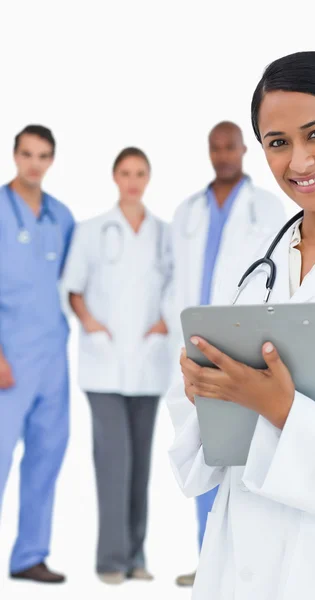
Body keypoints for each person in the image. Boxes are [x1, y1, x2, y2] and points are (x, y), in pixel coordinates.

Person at [166, 51, 315, 599]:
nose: (299, 160)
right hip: (240, 562)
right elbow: (205, 455)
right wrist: (207, 391)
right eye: (277, 142)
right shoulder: (255, 263)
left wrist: (280, 408)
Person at [167, 121, 286, 587]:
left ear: (243, 150)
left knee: (241, 454)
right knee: (202, 452)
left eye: (229, 147)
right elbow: (173, 275)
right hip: (191, 348)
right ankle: (206, 559)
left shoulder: (267, 206)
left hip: (238, 343)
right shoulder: (186, 211)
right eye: (215, 148)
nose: (222, 155)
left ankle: (244, 563)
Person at [61, 147, 172, 585]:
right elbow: (73, 288)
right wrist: (93, 327)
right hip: (103, 364)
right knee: (114, 461)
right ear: (114, 177)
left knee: (140, 465)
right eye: (125, 172)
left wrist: (163, 326)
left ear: (149, 177)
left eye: (140, 173)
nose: (133, 180)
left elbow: (175, 287)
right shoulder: (92, 230)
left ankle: (136, 556)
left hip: (148, 363)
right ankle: (111, 560)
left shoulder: (164, 233)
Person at [0, 125, 75, 584]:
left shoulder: (61, 216)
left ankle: (30, 555)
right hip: (9, 357)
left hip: (52, 355)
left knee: (47, 455)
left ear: (51, 161)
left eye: (43, 156)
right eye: (27, 154)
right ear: (14, 155)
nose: (34, 163)